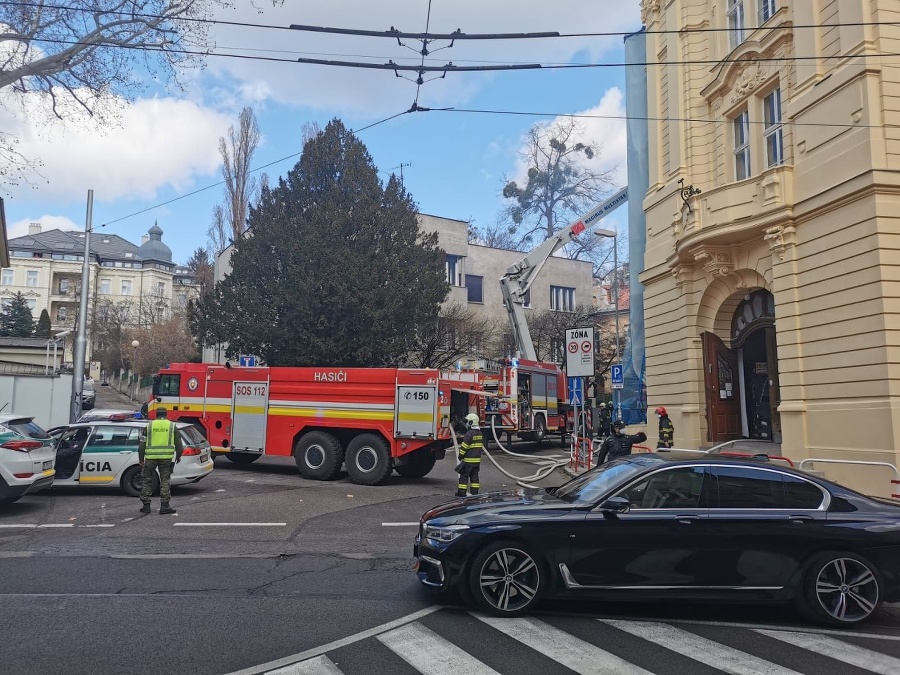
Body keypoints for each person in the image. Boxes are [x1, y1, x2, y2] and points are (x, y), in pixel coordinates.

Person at [138, 407, 184, 515]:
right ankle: (164, 505)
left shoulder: (149, 426)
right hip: (166, 458)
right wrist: (178, 456)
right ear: (166, 414)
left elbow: (142, 444)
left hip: (150, 458)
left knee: (147, 480)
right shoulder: (172, 426)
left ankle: (146, 505)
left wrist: (141, 458)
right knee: (165, 480)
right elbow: (179, 445)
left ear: (156, 414)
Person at [456, 413, 484, 497]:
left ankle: (461, 494)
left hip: (468, 461)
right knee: (474, 478)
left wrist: (460, 456)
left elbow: (464, 447)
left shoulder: (469, 434)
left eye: (468, 421)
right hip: (476, 462)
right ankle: (474, 494)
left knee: (463, 478)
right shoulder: (480, 434)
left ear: (471, 423)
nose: (466, 423)